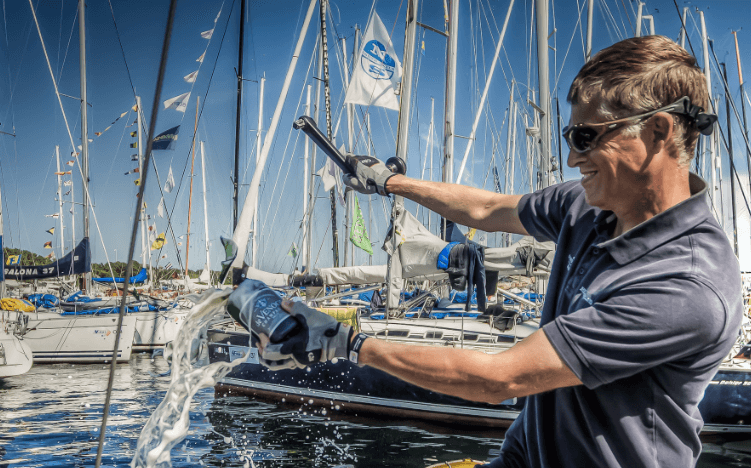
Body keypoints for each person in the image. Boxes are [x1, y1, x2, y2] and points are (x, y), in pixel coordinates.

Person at [228, 35, 742, 467]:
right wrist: (392, 182)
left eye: (586, 137)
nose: (570, 156)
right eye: (570, 136)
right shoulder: (588, 206)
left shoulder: (685, 285)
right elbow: (489, 210)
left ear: (658, 130)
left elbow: (502, 379)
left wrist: (345, 342)